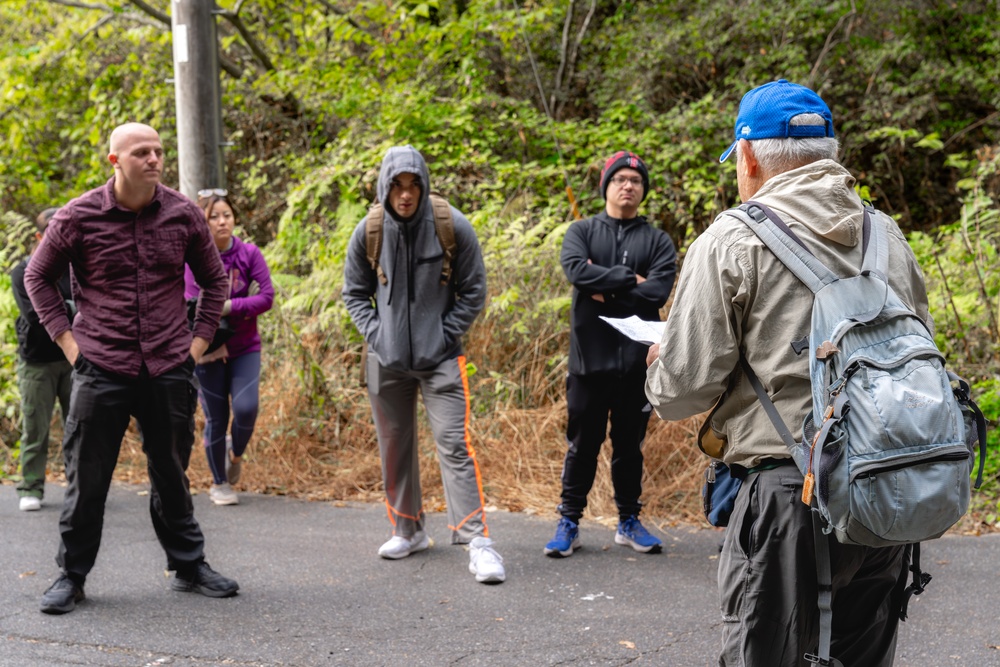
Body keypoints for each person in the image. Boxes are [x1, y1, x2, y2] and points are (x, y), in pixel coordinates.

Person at [645, 80, 927, 665]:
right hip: (887, 488)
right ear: (831, 153)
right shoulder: (888, 236)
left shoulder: (732, 240)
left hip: (787, 497)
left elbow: (679, 392)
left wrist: (659, 366)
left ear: (747, 156)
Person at [24, 122, 240, 614]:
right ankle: (72, 575)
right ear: (114, 161)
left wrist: (196, 345)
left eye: (159, 151)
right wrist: (69, 344)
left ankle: (187, 565)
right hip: (100, 363)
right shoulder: (78, 216)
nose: (154, 159)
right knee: (88, 474)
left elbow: (214, 282)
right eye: (141, 151)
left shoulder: (184, 214)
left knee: (171, 470)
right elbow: (38, 275)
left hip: (168, 363)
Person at [342, 145, 505, 584]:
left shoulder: (452, 226)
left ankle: (478, 543)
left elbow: (474, 289)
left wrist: (445, 332)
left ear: (424, 184)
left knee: (455, 446)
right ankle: (407, 529)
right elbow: (354, 293)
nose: (406, 194)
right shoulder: (369, 230)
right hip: (386, 360)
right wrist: (378, 335)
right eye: (398, 185)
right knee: (394, 446)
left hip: (441, 359)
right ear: (385, 187)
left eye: (414, 185)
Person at [544, 151, 677, 558]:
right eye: (620, 179)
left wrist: (605, 287)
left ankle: (628, 521)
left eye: (636, 181)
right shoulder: (581, 232)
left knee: (628, 447)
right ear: (607, 185)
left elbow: (658, 291)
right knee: (581, 445)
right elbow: (576, 273)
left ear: (642, 190)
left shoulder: (656, 240)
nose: (628, 186)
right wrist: (629, 280)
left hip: (636, 366)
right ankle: (569, 521)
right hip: (588, 362)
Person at [184, 191, 274, 506]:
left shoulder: (249, 254)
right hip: (206, 349)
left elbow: (267, 297)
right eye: (214, 217)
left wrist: (227, 306)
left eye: (227, 215)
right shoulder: (192, 258)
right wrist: (238, 305)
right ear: (203, 222)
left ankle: (235, 456)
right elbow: (193, 305)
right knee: (216, 417)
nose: (223, 222)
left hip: (245, 346)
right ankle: (219, 483)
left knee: (247, 408)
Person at [11, 208, 73, 512]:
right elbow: (36, 317)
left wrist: (66, 307)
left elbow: (90, 308)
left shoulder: (73, 269)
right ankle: (31, 485)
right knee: (36, 427)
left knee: (79, 424)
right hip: (36, 362)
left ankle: (80, 484)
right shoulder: (22, 272)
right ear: (39, 235)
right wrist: (70, 309)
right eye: (53, 229)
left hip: (73, 358)